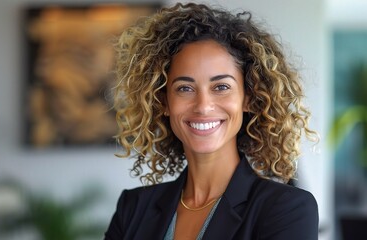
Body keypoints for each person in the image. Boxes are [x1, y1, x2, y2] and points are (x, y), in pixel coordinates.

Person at [105, 2, 319, 240]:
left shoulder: (286, 208)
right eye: (185, 88)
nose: (203, 106)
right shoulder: (133, 209)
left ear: (248, 98)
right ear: (163, 102)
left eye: (221, 87)